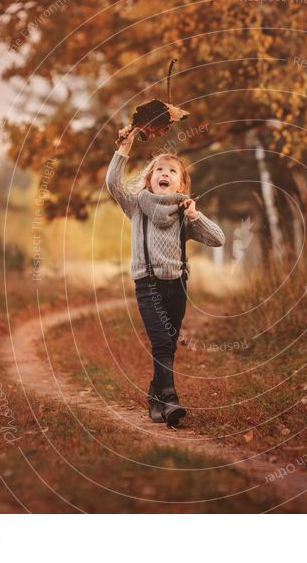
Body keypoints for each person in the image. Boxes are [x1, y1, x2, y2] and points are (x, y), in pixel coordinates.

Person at [106, 127, 225, 426]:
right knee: (161, 343)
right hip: (148, 286)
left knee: (169, 345)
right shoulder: (136, 206)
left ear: (181, 183)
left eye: (173, 171)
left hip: (177, 287)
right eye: (159, 169)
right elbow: (112, 183)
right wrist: (125, 147)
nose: (165, 173)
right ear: (149, 179)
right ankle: (170, 398)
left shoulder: (184, 214)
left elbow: (218, 239)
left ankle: (155, 395)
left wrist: (195, 215)